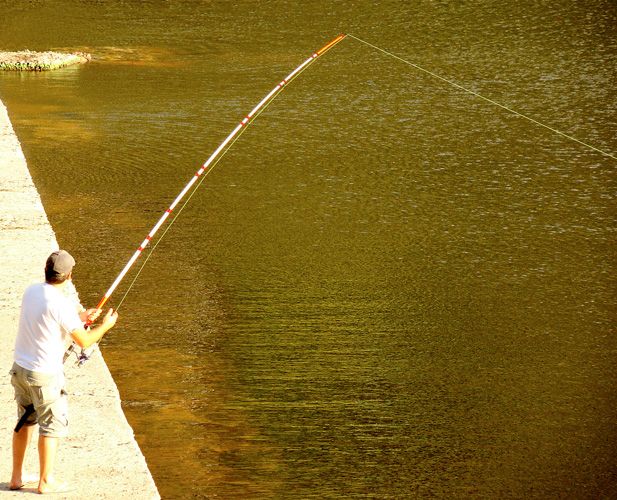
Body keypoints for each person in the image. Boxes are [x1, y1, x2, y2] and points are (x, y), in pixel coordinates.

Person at [9, 249, 118, 494]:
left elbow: (46, 319)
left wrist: (79, 316)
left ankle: (16, 477)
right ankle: (45, 481)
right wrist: (105, 325)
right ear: (69, 276)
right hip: (44, 376)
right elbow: (84, 341)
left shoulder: (32, 291)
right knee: (51, 427)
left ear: (46, 271)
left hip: (20, 370)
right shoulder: (62, 304)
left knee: (24, 422)